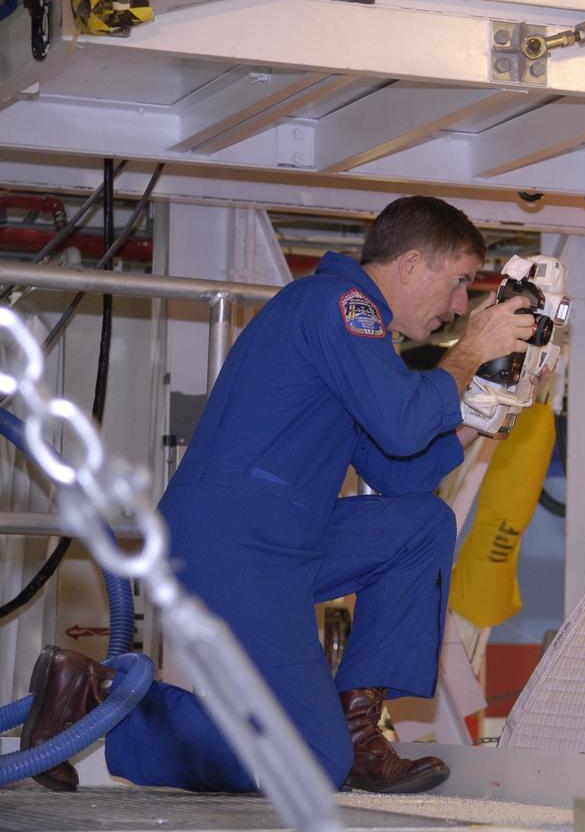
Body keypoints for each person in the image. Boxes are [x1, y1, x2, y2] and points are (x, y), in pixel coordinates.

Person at [19, 196, 535, 794]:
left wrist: (482, 419)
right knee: (313, 761)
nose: (456, 307)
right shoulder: (340, 306)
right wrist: (471, 351)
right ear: (413, 263)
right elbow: (400, 421)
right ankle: (100, 698)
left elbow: (400, 471)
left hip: (283, 541)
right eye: (458, 284)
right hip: (234, 543)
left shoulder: (358, 334)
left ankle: (358, 731)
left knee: (422, 525)